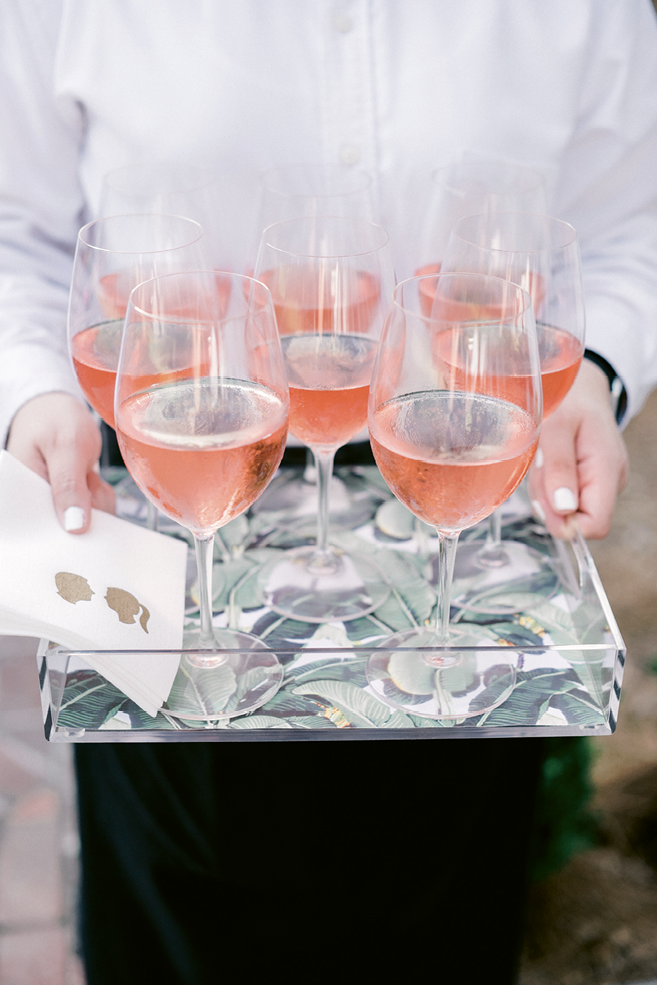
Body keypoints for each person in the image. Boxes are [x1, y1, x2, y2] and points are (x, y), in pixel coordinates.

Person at [1, 2, 656, 982]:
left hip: (467, 495)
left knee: (438, 900)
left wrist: (596, 374)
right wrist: (34, 390)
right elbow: (16, 226)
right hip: (162, 480)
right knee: (179, 910)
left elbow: (626, 223)